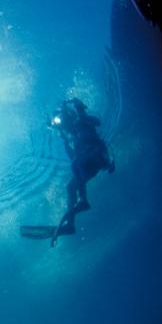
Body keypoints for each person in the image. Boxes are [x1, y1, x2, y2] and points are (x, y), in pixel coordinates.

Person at [50, 98, 114, 244]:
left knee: (75, 165)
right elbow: (73, 157)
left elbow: (96, 121)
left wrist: (78, 106)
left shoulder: (81, 123)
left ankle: (83, 200)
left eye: (63, 123)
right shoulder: (73, 138)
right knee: (70, 187)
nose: (64, 127)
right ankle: (70, 225)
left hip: (98, 156)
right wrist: (64, 139)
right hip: (87, 166)